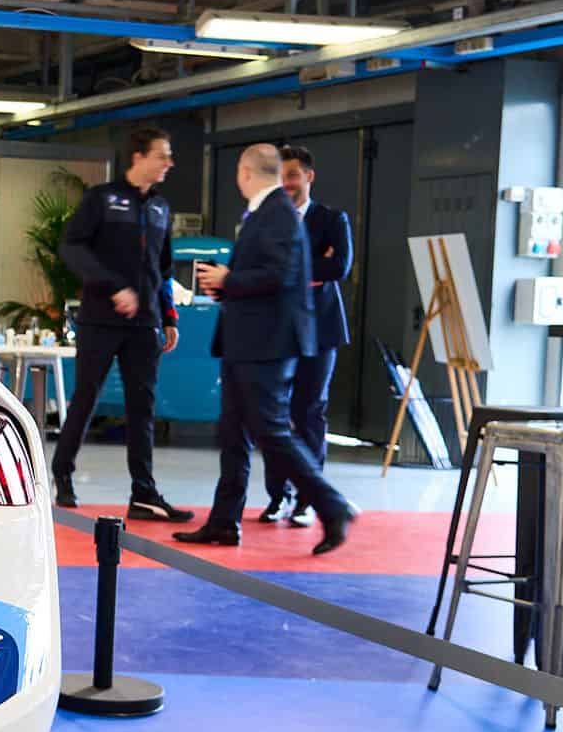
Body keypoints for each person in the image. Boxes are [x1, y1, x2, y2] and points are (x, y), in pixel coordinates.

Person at [174, 144, 357, 556]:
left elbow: (281, 273)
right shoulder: (264, 212)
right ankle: (224, 521)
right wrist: (227, 288)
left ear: (245, 172)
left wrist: (230, 279)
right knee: (233, 433)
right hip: (247, 339)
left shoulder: (276, 213)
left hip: (265, 343)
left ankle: (332, 505)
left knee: (271, 430)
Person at [49, 126, 194, 523]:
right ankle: (62, 474)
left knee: (142, 407)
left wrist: (169, 316)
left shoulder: (161, 207)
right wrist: (112, 287)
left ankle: (143, 493)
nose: (169, 163)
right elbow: (71, 247)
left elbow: (163, 269)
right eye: (162, 155)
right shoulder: (102, 199)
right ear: (138, 157)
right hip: (100, 320)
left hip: (145, 324)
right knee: (86, 398)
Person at [259, 144, 352, 527]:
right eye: (280, 177)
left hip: (321, 330)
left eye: (293, 176)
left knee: (310, 411)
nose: (287, 183)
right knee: (274, 414)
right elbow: (262, 269)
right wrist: (311, 268)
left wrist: (290, 271)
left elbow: (339, 266)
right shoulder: (266, 220)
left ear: (309, 177)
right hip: (276, 330)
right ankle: (278, 496)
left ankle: (308, 500)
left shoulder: (332, 219)